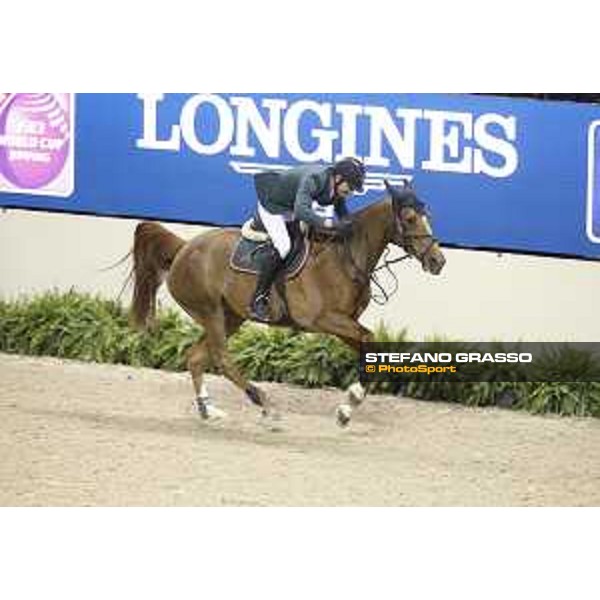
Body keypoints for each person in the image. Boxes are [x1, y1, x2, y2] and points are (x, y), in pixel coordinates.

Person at [248, 157, 367, 323]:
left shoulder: (335, 186)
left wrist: (349, 225)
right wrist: (329, 222)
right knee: (284, 246)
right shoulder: (315, 179)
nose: (352, 191)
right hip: (273, 205)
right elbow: (301, 210)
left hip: (289, 207)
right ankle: (258, 299)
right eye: (351, 186)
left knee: (303, 242)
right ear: (339, 178)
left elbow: (341, 209)